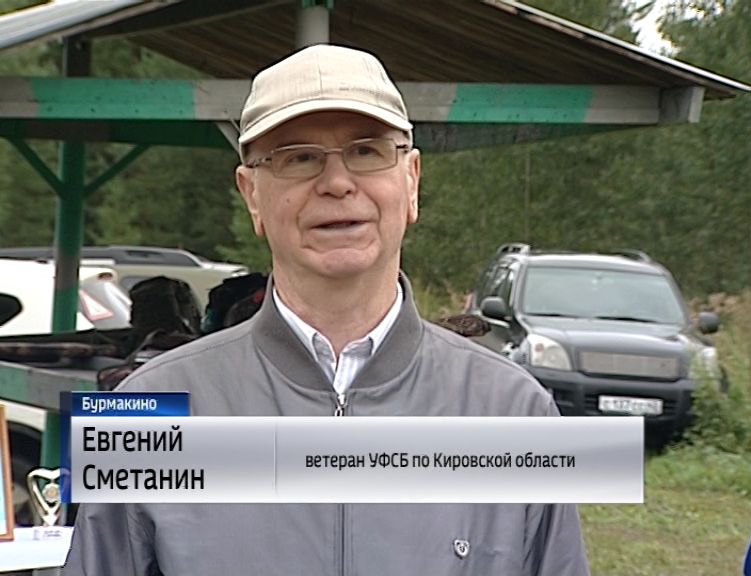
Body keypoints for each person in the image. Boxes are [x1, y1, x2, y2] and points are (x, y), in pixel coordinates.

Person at [63, 44, 590, 576]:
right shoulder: (148, 410)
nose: (337, 183)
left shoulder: (514, 411)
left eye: (366, 151)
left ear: (411, 180)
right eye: (298, 157)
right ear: (252, 194)